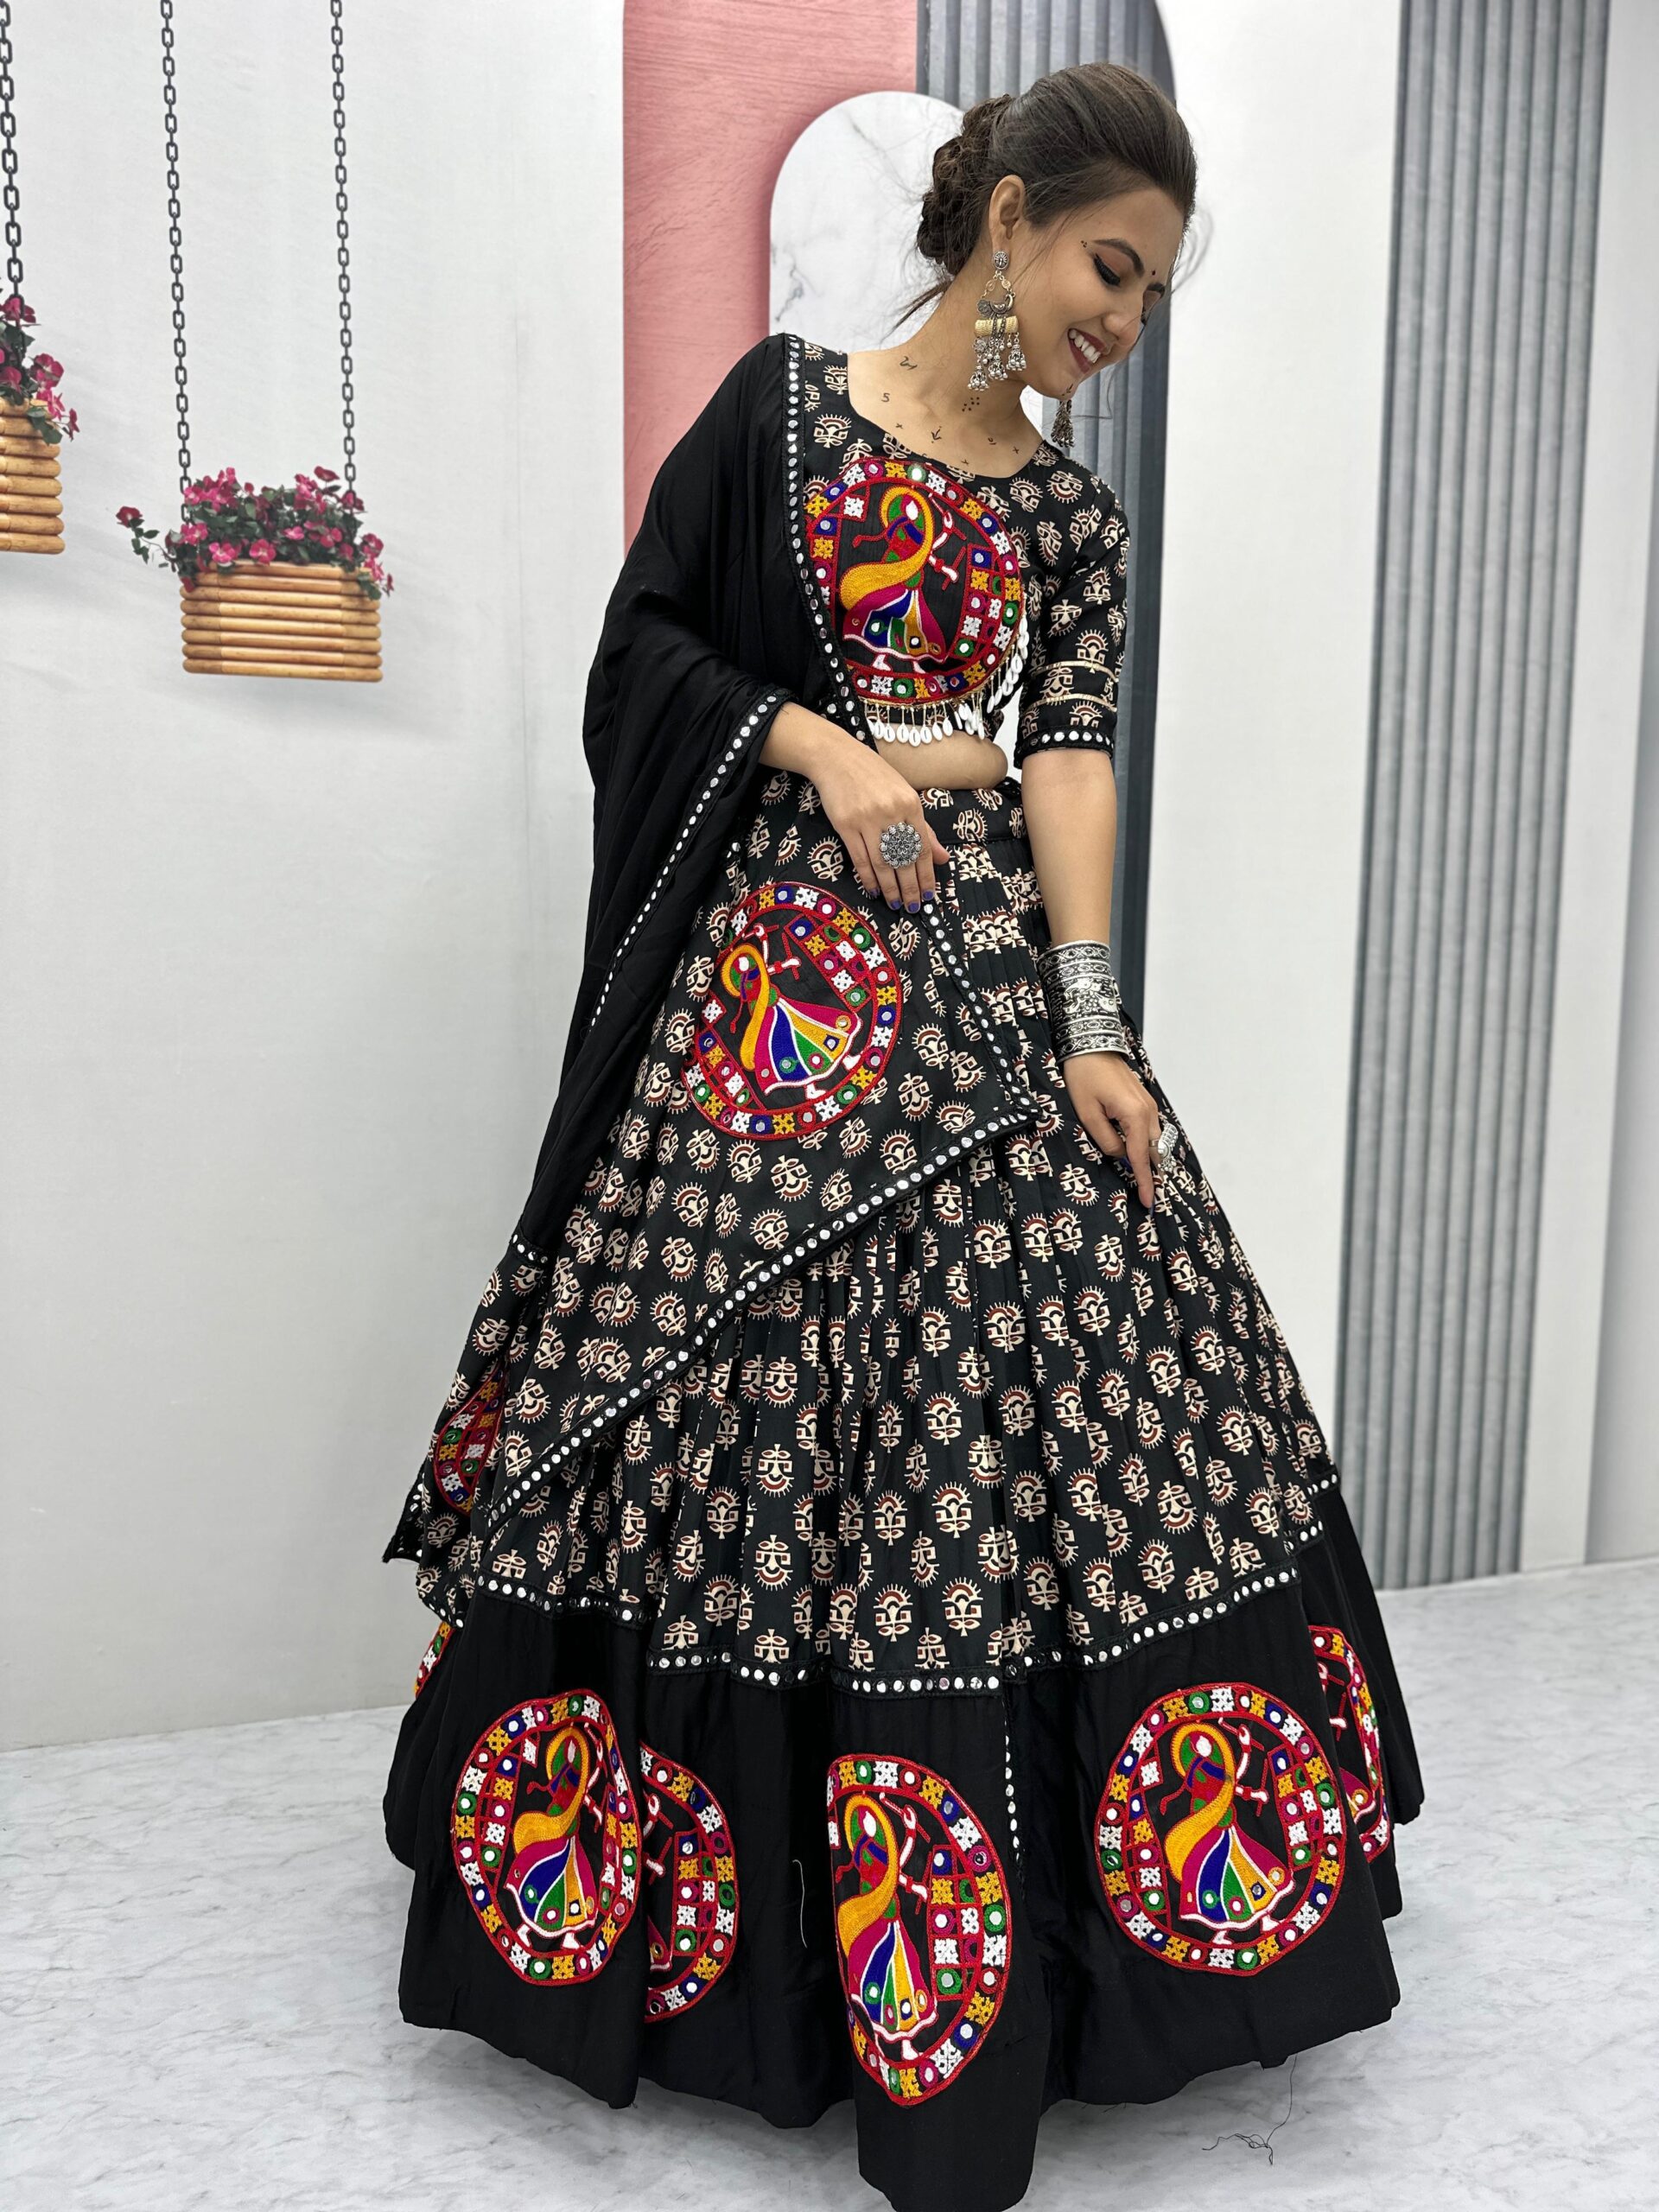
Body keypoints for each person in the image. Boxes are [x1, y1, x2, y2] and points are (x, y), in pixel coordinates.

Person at [380, 60, 1423, 2212]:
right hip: (769, 1000)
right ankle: (712, 1926)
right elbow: (640, 655)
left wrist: (1097, 1025)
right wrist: (823, 746)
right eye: (1112, 267)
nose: (1125, 320)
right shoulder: (777, 417)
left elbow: (1071, 756)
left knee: (1069, 1360)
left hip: (977, 978)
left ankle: (1051, 1939)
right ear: (1010, 217)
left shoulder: (1074, 520)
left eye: (1155, 294)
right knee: (735, 1393)